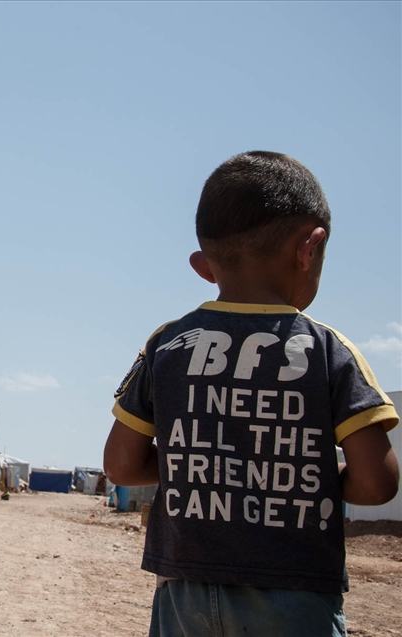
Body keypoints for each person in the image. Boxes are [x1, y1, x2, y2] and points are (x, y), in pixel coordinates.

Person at [103, 151, 399, 637]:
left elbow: (120, 464)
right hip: (295, 594)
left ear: (204, 266)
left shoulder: (169, 345)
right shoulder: (329, 351)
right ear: (309, 248)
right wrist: (292, 475)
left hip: (184, 591)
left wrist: (209, 463)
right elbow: (377, 484)